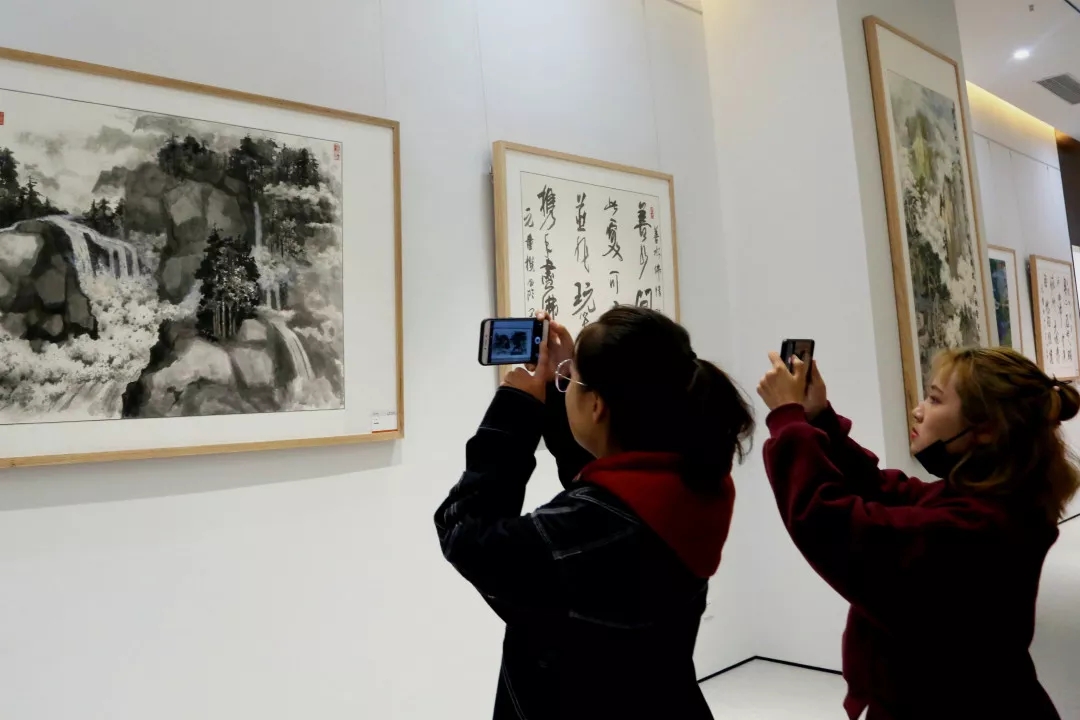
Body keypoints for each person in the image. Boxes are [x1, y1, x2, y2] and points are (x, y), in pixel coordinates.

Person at [435, 306, 754, 719]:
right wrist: (563, 388)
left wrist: (514, 410)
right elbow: (605, 485)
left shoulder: (591, 525)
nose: (567, 385)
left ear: (598, 405)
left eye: (575, 380)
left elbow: (464, 531)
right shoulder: (694, 484)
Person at [756, 347, 1077, 720]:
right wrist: (818, 418)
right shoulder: (996, 501)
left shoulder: (974, 528)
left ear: (987, 429)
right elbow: (882, 490)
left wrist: (788, 423)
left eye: (935, 399)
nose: (918, 410)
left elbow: (831, 525)